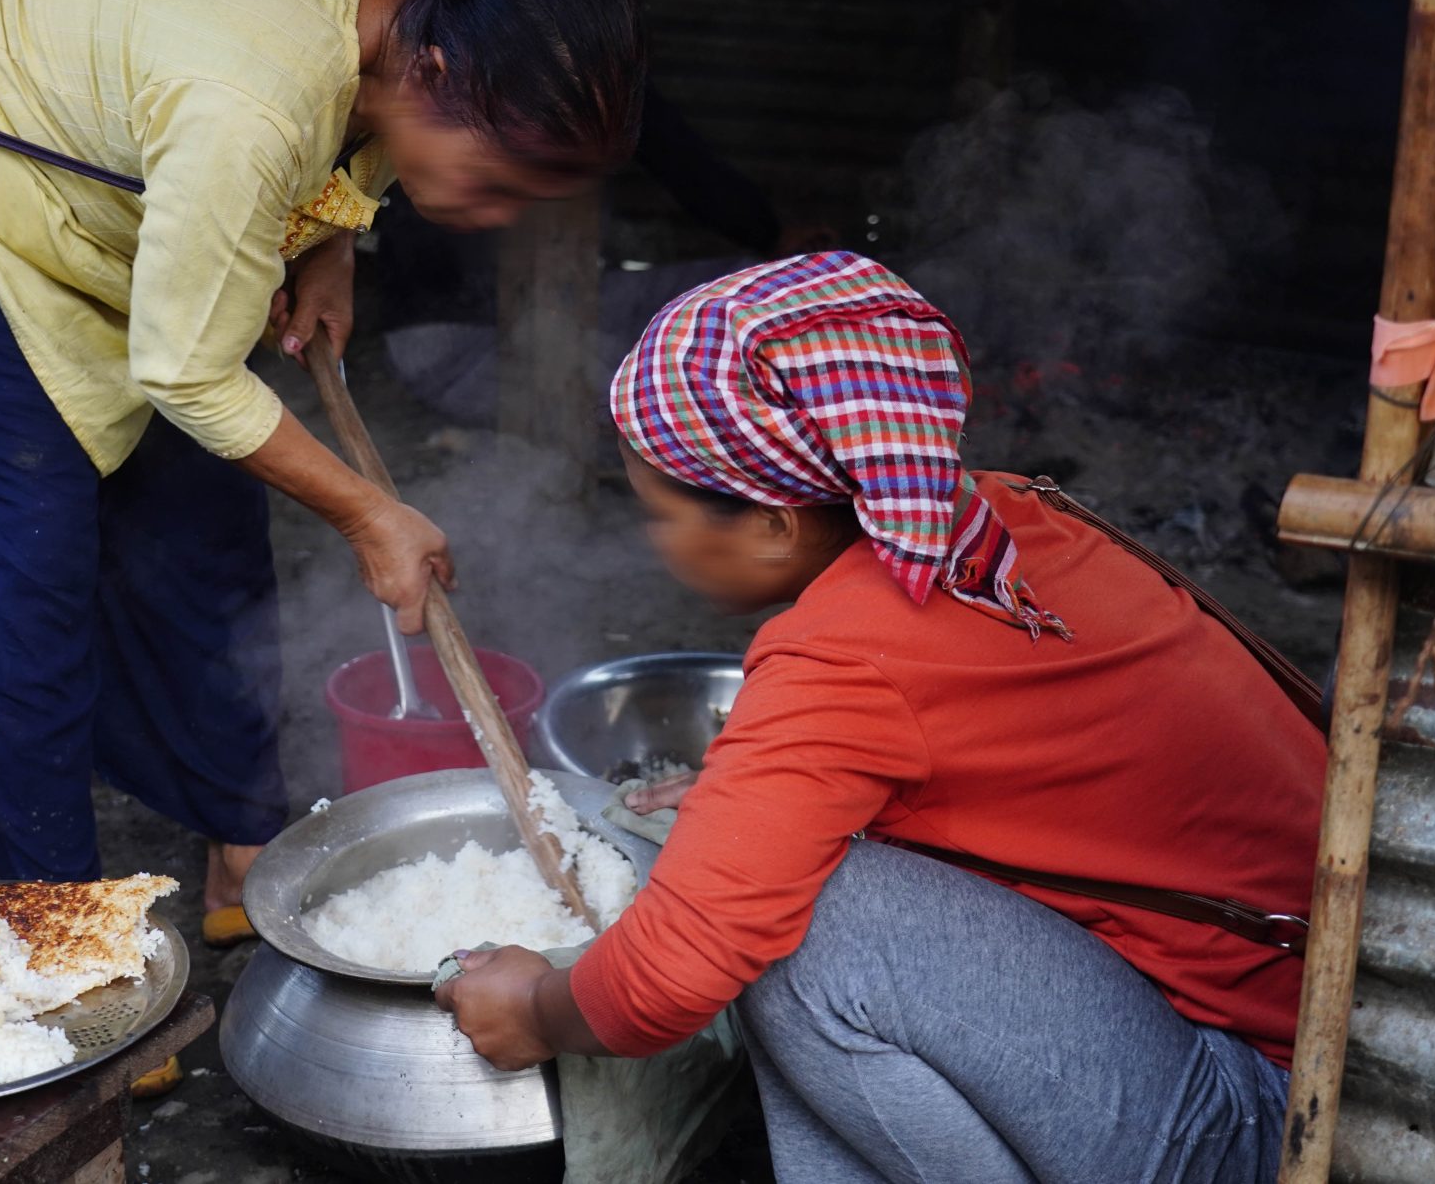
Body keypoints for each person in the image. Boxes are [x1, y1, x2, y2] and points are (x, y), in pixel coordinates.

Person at [0, 0, 646, 940]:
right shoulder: (251, 102)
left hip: (146, 105)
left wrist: (330, 242)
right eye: (495, 182)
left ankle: (240, 839)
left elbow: (347, 128)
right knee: (23, 552)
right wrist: (369, 514)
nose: (494, 217)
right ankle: (58, 935)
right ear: (438, 77)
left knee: (208, 514)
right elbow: (184, 373)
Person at [434, 251, 1323, 1183]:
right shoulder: (1007, 515)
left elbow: (670, 975)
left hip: (1265, 1112)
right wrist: (761, 803)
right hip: (1304, 1010)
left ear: (776, 523)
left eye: (660, 513)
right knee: (786, 879)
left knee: (802, 930)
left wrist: (536, 1005)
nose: (655, 543)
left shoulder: (839, 658)